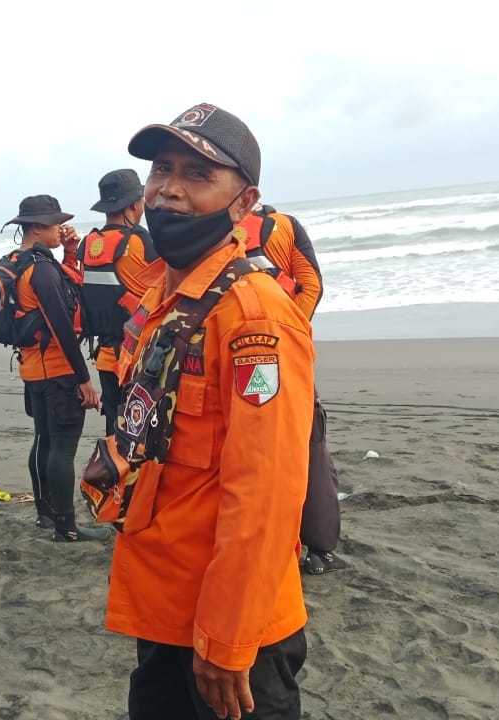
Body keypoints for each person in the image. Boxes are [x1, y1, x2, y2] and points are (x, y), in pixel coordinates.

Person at [106, 102, 315, 719]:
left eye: (198, 175)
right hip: (166, 605)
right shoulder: (165, 298)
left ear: (244, 203)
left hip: (230, 627)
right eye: (161, 170)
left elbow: (267, 490)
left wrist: (228, 638)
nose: (169, 190)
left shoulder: (255, 317)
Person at [235, 206, 347, 575]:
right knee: (308, 445)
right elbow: (312, 284)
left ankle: (263, 546)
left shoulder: (200, 230)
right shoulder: (282, 225)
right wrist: (290, 333)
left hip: (233, 355)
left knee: (248, 447)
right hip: (283, 354)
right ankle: (319, 550)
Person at [2, 195, 110, 542]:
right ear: (37, 226)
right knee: (62, 449)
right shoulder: (41, 269)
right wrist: (84, 380)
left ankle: (45, 515)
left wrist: (71, 252)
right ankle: (67, 527)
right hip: (58, 372)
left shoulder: (18, 262)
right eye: (53, 224)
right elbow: (62, 325)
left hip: (34, 371)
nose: (59, 229)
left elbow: (66, 292)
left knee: (44, 442)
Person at [79, 168, 157, 435]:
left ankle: (111, 475)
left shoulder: (87, 245)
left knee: (114, 429)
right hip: (138, 357)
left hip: (105, 357)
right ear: (135, 204)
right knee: (142, 430)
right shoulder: (141, 242)